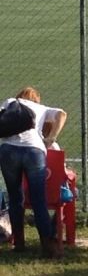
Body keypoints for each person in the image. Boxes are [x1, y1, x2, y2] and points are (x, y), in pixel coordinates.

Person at [0, 87, 66, 257]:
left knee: (15, 198)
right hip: (33, 151)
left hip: (8, 150)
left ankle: (19, 243)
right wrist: (51, 138)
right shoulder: (41, 108)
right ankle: (47, 245)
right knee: (39, 200)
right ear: (36, 99)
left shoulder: (10, 102)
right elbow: (62, 114)